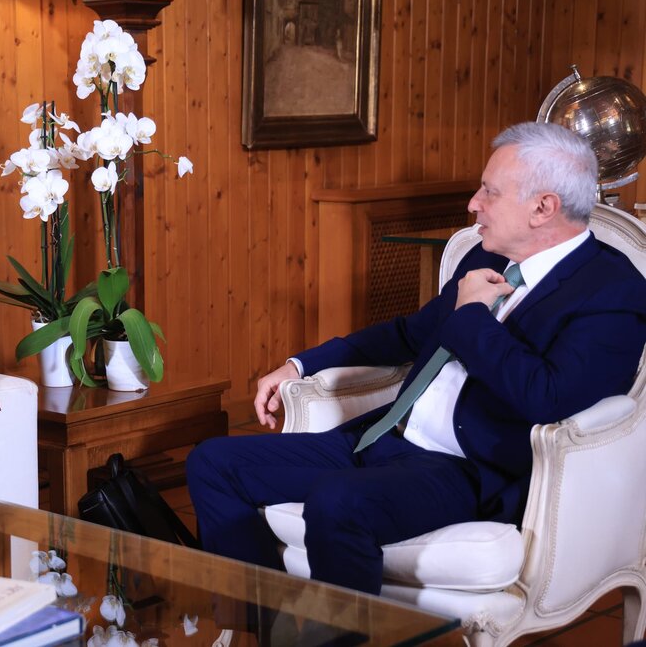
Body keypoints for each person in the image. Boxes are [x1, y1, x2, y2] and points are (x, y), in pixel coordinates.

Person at [187, 122, 646, 594]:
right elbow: (408, 334)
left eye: (489, 192)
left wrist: (472, 316)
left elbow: (547, 398)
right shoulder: (486, 258)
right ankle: (258, 618)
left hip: (467, 469)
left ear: (543, 207)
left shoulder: (613, 291)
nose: (474, 204)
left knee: (338, 500)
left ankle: (345, 631)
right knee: (212, 462)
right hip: (385, 439)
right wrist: (300, 365)